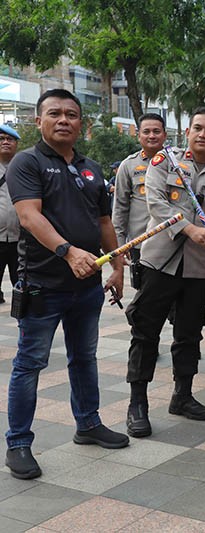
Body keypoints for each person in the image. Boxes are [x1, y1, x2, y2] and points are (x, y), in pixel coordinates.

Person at [4, 89, 129, 479]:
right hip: (42, 285)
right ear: (39, 121)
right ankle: (18, 443)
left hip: (88, 286)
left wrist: (119, 266)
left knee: (84, 357)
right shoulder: (26, 163)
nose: (63, 120)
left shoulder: (92, 168)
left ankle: (88, 424)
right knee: (29, 364)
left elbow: (104, 222)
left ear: (82, 124)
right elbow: (29, 217)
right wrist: (69, 252)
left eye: (71, 115)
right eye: (54, 114)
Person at [124, 107, 205, 438]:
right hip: (159, 262)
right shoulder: (165, 162)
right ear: (188, 132)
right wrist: (190, 230)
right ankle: (138, 404)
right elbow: (157, 205)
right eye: (197, 128)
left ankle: (183, 395)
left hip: (198, 269)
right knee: (145, 333)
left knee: (189, 333)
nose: (203, 134)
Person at [112, 113, 167, 289]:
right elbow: (120, 208)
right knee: (146, 300)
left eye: (156, 131)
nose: (152, 136)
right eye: (147, 131)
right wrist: (120, 247)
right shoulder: (128, 166)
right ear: (139, 135)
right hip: (141, 243)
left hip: (172, 242)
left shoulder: (178, 163)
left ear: (164, 135)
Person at [0, 124, 21, 304]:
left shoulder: (25, 167)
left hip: (21, 239)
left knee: (21, 284)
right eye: (1, 138)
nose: (6, 142)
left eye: (10, 139)